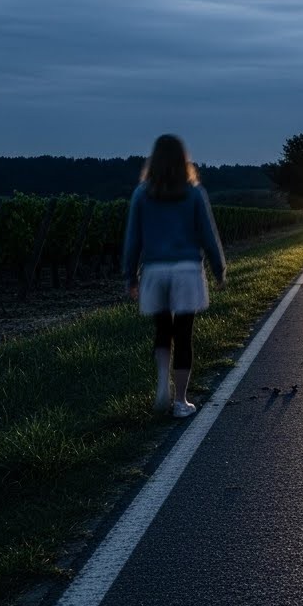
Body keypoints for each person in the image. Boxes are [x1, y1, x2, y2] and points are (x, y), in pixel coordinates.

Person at [122, 134, 227, 418]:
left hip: (155, 270)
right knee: (183, 334)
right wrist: (219, 269)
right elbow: (208, 235)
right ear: (184, 160)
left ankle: (161, 387)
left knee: (162, 330)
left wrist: (130, 275)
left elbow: (133, 239)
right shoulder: (194, 193)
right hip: (187, 271)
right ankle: (181, 401)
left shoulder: (142, 194)